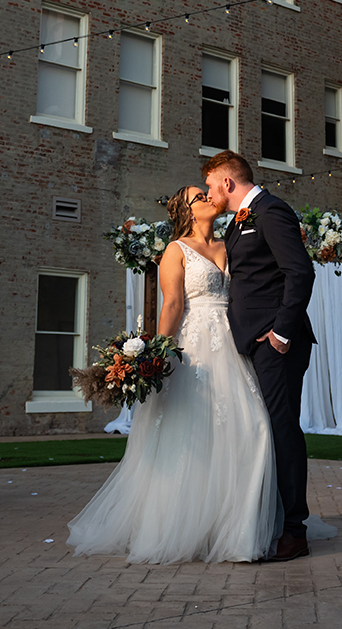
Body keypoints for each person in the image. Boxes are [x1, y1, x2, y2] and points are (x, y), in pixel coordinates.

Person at [67, 185, 278, 563]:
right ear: (186, 211)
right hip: (194, 348)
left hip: (233, 343)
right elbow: (173, 305)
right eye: (199, 196)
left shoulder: (230, 244)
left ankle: (237, 530)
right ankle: (182, 527)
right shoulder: (176, 250)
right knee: (191, 434)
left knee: (252, 427)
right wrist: (156, 357)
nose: (208, 197)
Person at [202, 150, 316, 562]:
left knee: (282, 431)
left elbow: (300, 272)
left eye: (211, 185)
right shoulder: (238, 221)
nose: (209, 193)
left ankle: (295, 531)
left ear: (227, 182)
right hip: (251, 344)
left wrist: (281, 334)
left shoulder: (271, 211)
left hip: (277, 345)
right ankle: (273, 520)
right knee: (264, 431)